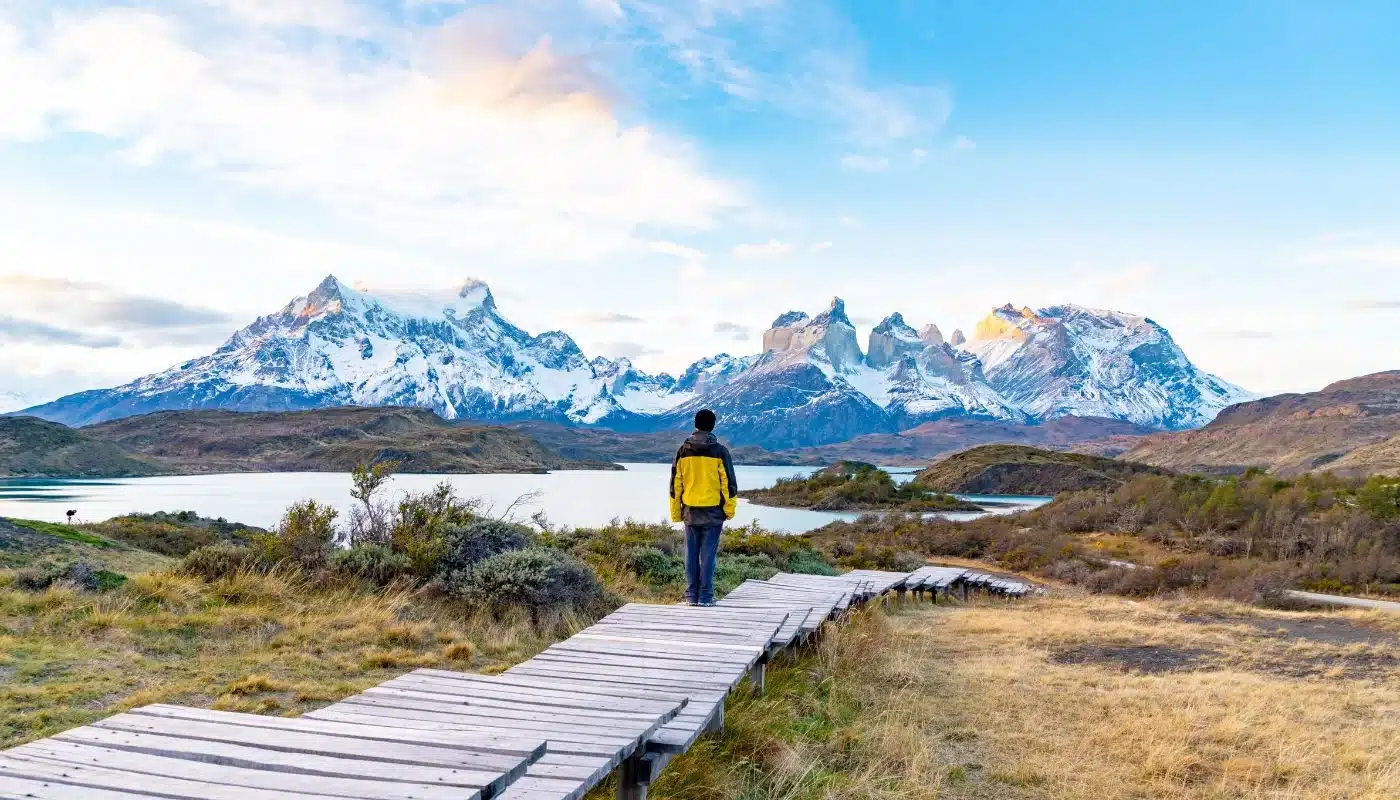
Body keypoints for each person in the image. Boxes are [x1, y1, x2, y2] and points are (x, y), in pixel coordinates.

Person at [669, 408, 738, 606]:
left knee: (691, 554)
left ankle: (691, 596)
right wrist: (729, 510)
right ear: (712, 426)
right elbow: (729, 484)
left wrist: (676, 513)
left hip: (690, 511)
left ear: (696, 425)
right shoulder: (720, 451)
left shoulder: (683, 451)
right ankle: (706, 597)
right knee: (708, 556)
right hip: (713, 512)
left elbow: (675, 485)